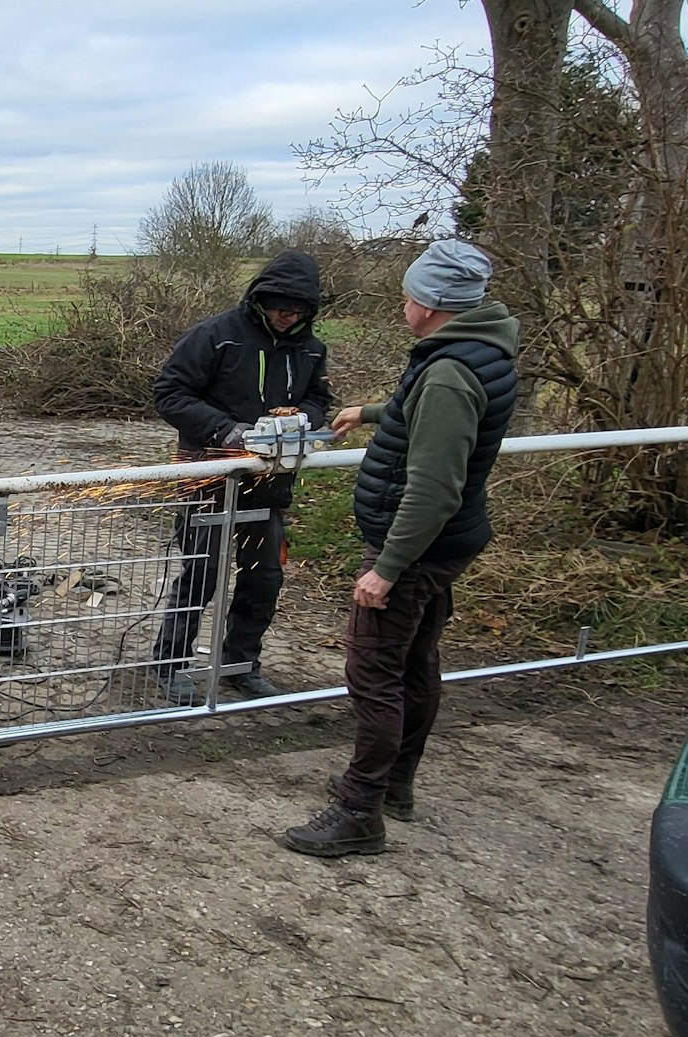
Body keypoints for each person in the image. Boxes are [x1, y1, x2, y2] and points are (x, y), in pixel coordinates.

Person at [281, 239, 519, 858]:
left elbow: (435, 485)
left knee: (374, 672)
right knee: (415, 662)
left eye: (411, 292)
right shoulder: (478, 352)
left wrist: (387, 569)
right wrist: (370, 412)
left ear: (434, 303)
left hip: (414, 546)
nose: (403, 301)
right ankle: (394, 786)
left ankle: (361, 809)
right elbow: (429, 416)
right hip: (447, 543)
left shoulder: (447, 371)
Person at [151, 250, 332, 704]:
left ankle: (241, 663)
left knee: (264, 576)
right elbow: (169, 393)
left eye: (298, 310)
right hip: (207, 475)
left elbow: (318, 397)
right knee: (201, 573)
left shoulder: (311, 349)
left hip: (270, 481)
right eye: (280, 307)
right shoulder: (216, 337)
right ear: (261, 299)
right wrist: (227, 430)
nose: (288, 317)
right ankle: (169, 663)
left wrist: (300, 421)